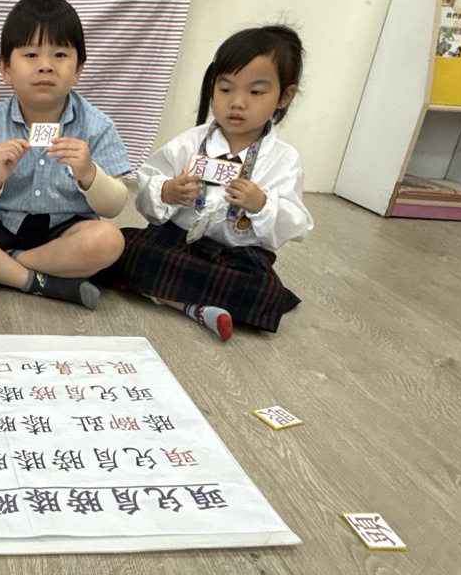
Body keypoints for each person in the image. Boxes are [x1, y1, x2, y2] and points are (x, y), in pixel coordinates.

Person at [102, 25, 312, 340]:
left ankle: (169, 294)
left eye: (255, 92)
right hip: (177, 239)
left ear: (285, 95)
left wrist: (262, 205)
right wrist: (166, 191)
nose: (237, 102)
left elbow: (297, 224)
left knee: (264, 289)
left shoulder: (284, 159)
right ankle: (196, 306)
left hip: (237, 255)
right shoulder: (190, 142)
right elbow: (149, 183)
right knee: (122, 246)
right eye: (225, 89)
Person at [0, 0, 131, 309]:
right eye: (30, 54)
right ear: (5, 69)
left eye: (59, 54)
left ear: (78, 69)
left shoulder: (97, 125)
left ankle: (4, 265)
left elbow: (114, 206)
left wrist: (89, 173)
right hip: (2, 224)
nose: (45, 66)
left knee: (109, 239)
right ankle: (40, 281)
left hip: (65, 230)